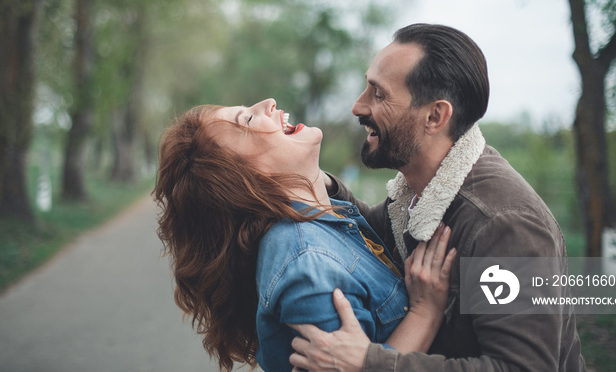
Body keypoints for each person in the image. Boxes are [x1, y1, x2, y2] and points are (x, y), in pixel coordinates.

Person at [289, 23, 587, 371]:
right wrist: (309, 178)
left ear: (435, 116)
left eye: (379, 94)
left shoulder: (504, 225)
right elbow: (372, 231)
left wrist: (371, 363)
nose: (358, 107)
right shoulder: (420, 194)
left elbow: (521, 367)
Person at [152, 99, 457, 372]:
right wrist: (424, 313)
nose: (268, 103)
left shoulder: (331, 214)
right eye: (247, 119)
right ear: (242, 177)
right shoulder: (309, 267)